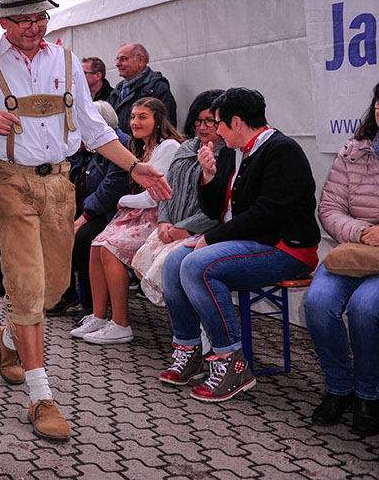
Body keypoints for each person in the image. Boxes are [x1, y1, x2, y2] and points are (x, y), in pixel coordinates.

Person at [0, 0, 170, 441]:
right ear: (4, 22)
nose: (34, 27)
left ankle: (7, 337)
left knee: (55, 288)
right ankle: (42, 398)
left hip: (60, 185)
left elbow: (93, 126)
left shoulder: (65, 59)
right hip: (9, 183)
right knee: (26, 283)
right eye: (23, 20)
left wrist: (134, 165)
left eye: (40, 17)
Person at [159, 87, 318, 402]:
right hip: (247, 241)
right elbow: (216, 209)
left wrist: (210, 239)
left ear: (236, 122)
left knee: (197, 266)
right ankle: (189, 350)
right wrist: (207, 175)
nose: (215, 130)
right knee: (174, 261)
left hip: (285, 248)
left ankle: (232, 362)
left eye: (218, 123)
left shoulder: (282, 150)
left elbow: (267, 214)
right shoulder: (233, 151)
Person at [305, 83, 379, 437]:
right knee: (318, 304)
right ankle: (339, 388)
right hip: (356, 250)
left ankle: (369, 394)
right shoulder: (353, 151)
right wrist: (363, 231)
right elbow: (330, 208)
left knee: (366, 309)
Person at [76, 98, 182, 344]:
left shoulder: (167, 147)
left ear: (158, 120)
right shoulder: (139, 147)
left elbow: (155, 196)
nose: (135, 122)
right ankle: (99, 316)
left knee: (109, 248)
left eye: (143, 117)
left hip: (157, 218)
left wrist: (123, 201)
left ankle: (121, 324)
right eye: (133, 117)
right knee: (96, 245)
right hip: (135, 216)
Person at [132, 90, 225, 305]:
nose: (202, 127)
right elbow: (167, 187)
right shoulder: (186, 148)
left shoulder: (227, 154)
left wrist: (186, 228)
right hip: (171, 225)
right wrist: (164, 221)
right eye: (198, 121)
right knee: (142, 261)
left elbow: (219, 205)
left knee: (170, 268)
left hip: (201, 230)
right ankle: (181, 330)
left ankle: (194, 332)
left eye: (210, 121)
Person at [47, 100, 129, 317]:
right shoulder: (84, 146)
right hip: (82, 209)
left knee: (83, 238)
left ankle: (91, 304)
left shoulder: (117, 143)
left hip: (110, 212)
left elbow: (111, 188)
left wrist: (84, 216)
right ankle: (65, 292)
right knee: (53, 229)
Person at [108, 42, 177, 130]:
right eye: (117, 59)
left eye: (124, 59)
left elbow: (164, 126)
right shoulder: (117, 92)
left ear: (140, 60)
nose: (118, 64)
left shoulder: (157, 88)